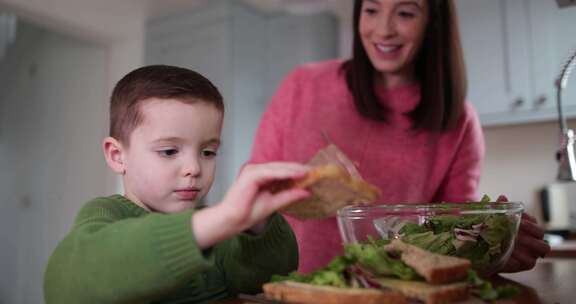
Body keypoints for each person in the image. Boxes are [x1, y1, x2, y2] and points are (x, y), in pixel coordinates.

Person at [249, 0, 549, 274]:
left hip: (396, 290)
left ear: (433, 22)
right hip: (294, 287)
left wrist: (489, 244)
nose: (383, 29)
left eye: (405, 13)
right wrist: (299, 186)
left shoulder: (459, 122)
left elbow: (453, 238)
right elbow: (250, 197)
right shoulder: (303, 84)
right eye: (371, 10)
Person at [43, 65, 311, 304]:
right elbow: (65, 285)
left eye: (208, 152)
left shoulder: (214, 226)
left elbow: (265, 278)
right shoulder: (106, 214)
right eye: (169, 151)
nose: (194, 168)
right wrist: (223, 219)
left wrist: (257, 226)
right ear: (117, 156)